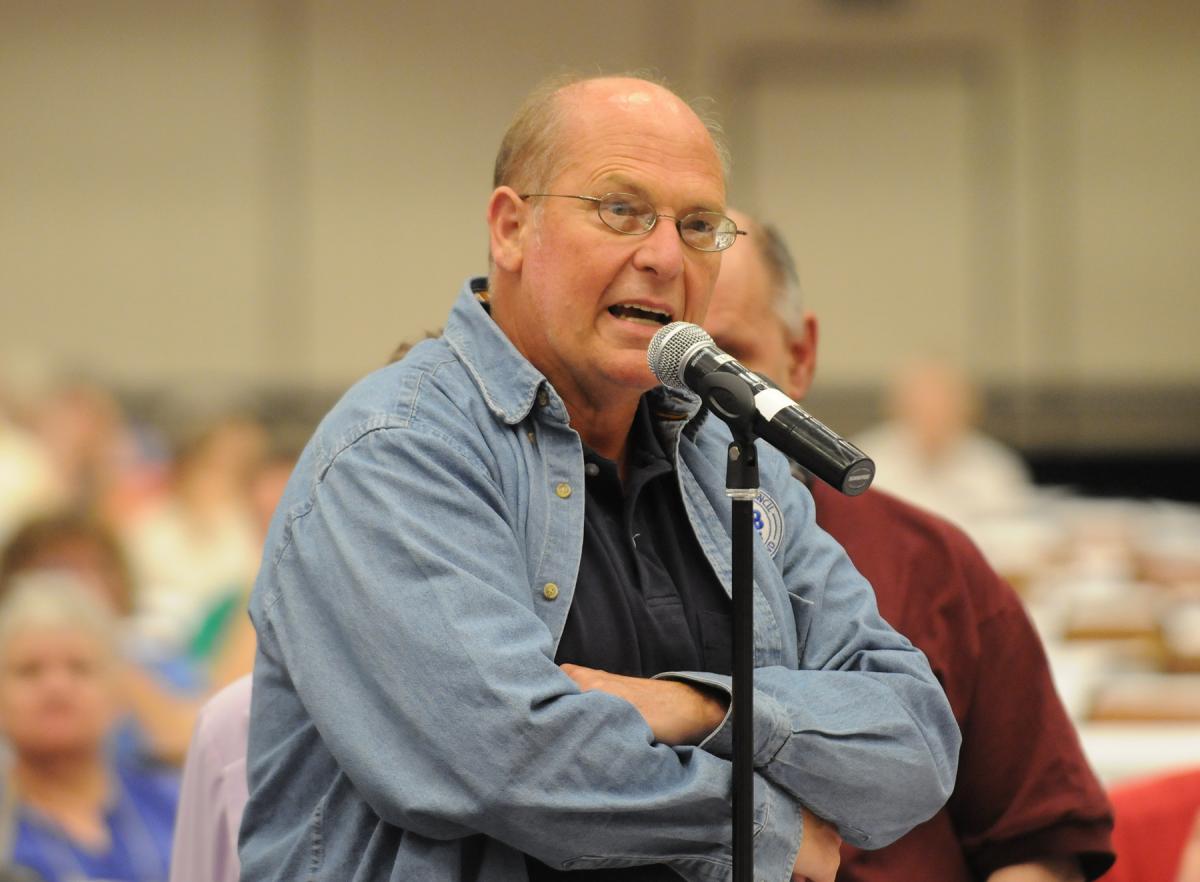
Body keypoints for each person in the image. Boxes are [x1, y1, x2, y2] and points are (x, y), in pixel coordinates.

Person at [239, 74, 960, 882]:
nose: (662, 257)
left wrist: (702, 707)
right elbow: (506, 758)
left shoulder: (729, 452)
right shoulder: (396, 450)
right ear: (511, 229)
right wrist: (767, 828)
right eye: (620, 211)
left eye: (696, 226)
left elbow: (918, 738)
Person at [702, 210, 1115, 881]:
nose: (693, 400)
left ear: (799, 358)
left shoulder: (931, 564)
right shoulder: (576, 566)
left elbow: (1039, 837)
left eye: (726, 361)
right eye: (669, 362)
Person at [0, 572, 178, 882]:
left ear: (119, 693)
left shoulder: (175, 805)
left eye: (79, 668)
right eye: (29, 671)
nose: (56, 686)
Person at [851, 355, 1035, 536]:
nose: (933, 412)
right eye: (922, 401)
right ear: (896, 406)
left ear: (969, 408)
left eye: (945, 400)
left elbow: (1016, 536)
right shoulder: (861, 463)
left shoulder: (995, 467)